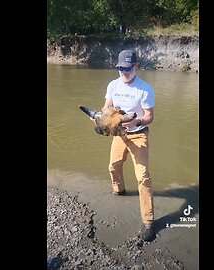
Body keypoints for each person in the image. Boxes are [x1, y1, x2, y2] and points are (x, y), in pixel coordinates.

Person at [90, 50, 156, 241]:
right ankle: (119, 191)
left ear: (136, 66)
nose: (123, 72)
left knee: (143, 177)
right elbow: (107, 106)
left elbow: (149, 116)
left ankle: (148, 221)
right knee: (113, 166)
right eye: (120, 68)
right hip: (119, 134)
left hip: (138, 134)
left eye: (127, 68)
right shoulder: (113, 85)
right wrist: (102, 119)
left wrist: (137, 123)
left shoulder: (145, 89)